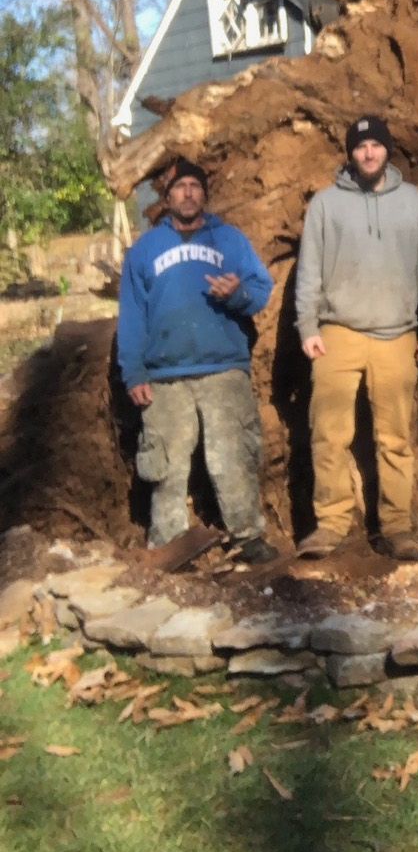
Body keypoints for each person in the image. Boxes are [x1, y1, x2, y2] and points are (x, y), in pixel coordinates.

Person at [295, 115, 418, 561]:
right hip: (337, 333)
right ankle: (330, 524)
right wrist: (307, 327)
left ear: (387, 151)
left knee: (395, 437)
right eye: (360, 147)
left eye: (375, 146)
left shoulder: (414, 202)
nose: (368, 153)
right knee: (328, 433)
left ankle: (397, 528)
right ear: (350, 153)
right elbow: (310, 271)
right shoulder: (325, 205)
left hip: (396, 335)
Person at [117, 158, 277, 562]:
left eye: (195, 186)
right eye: (179, 187)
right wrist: (133, 371)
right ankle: (169, 545)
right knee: (166, 465)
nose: (187, 193)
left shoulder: (230, 241)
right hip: (165, 375)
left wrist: (237, 294)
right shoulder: (145, 250)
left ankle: (247, 536)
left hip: (223, 369)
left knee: (232, 457)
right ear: (166, 197)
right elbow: (132, 316)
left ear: (204, 194)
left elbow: (261, 290)